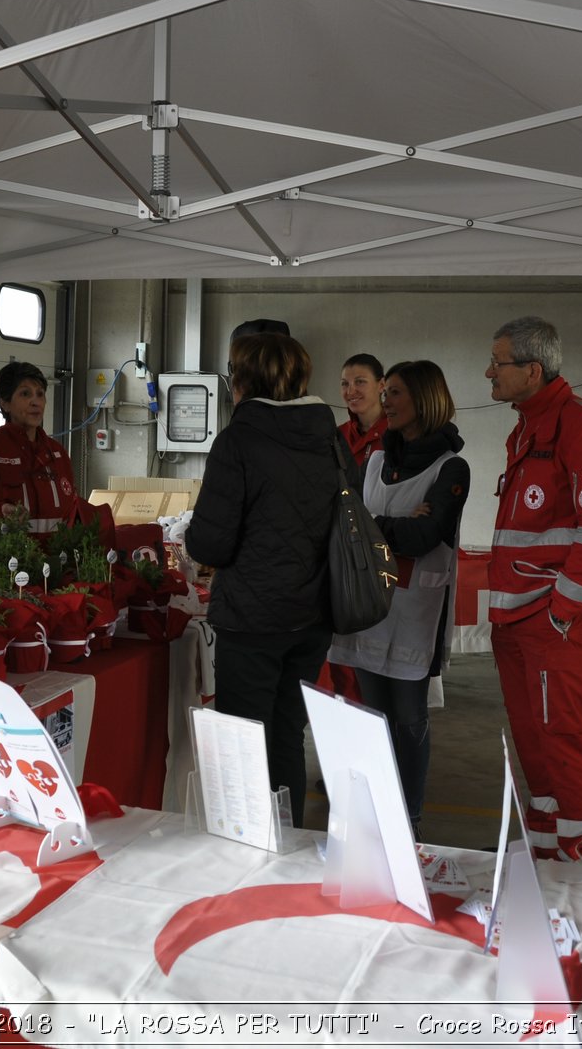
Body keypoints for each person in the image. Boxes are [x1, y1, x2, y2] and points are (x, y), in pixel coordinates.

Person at [185, 331, 352, 828]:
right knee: (285, 736)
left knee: (244, 738)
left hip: (252, 619)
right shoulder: (332, 437)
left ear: (241, 380)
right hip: (314, 616)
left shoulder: (238, 440)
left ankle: (250, 847)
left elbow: (210, 545)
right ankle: (288, 841)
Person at [484, 316, 582, 863]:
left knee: (564, 744)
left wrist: (561, 612)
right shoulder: (527, 426)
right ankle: (544, 862)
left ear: (532, 370)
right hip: (517, 623)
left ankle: (579, 869)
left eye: (499, 363)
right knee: (535, 750)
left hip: (552, 625)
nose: (488, 372)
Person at [328, 360, 469, 835]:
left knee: (408, 721)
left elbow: (426, 536)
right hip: (370, 610)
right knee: (372, 718)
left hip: (414, 614)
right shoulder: (372, 462)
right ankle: (374, 814)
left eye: (396, 393)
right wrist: (395, 525)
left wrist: (376, 527)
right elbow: (345, 523)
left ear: (425, 399)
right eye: (384, 392)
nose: (385, 401)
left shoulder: (452, 467)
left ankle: (408, 818)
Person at [0, 361, 87, 533]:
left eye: (40, 394)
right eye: (25, 394)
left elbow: (72, 513)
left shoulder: (58, 453)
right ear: (5, 403)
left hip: (56, 559)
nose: (36, 402)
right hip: (4, 559)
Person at [338, 353, 388, 466]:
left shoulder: (397, 432)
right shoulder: (338, 435)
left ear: (381, 385)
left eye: (360, 382)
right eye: (345, 384)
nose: (350, 392)